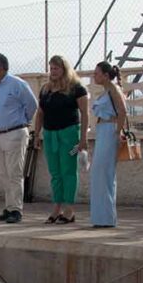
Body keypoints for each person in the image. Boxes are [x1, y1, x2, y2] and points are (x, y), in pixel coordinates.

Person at [35, 55, 89, 224]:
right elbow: (40, 113)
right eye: (51, 68)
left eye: (56, 68)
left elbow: (85, 114)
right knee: (55, 173)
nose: (53, 72)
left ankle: (69, 209)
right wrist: (37, 134)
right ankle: (56, 207)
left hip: (69, 133)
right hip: (50, 134)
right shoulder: (45, 89)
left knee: (68, 172)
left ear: (64, 69)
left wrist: (83, 139)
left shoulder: (76, 88)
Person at [0, 52, 38, 224]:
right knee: (3, 173)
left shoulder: (17, 84)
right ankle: (8, 207)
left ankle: (16, 209)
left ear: (1, 68)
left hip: (15, 133)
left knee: (14, 172)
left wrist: (23, 121)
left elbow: (32, 105)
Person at [88, 61, 126, 227]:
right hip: (103, 129)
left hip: (110, 130)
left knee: (104, 172)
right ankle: (101, 217)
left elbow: (122, 110)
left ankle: (107, 218)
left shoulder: (113, 89)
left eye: (97, 73)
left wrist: (118, 132)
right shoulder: (106, 91)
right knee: (99, 174)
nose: (94, 76)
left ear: (105, 75)